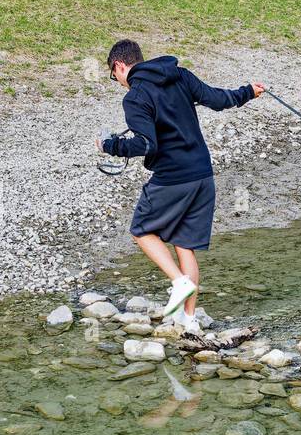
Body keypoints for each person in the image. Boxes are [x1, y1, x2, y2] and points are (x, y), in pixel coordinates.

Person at [98, 39, 264, 332]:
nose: (118, 82)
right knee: (184, 244)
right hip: (203, 174)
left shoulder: (135, 97)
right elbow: (217, 99)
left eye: (115, 76)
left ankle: (179, 282)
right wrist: (248, 92)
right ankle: (188, 322)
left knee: (141, 230)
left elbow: (146, 144)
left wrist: (110, 145)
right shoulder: (180, 75)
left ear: (119, 66)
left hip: (172, 178)